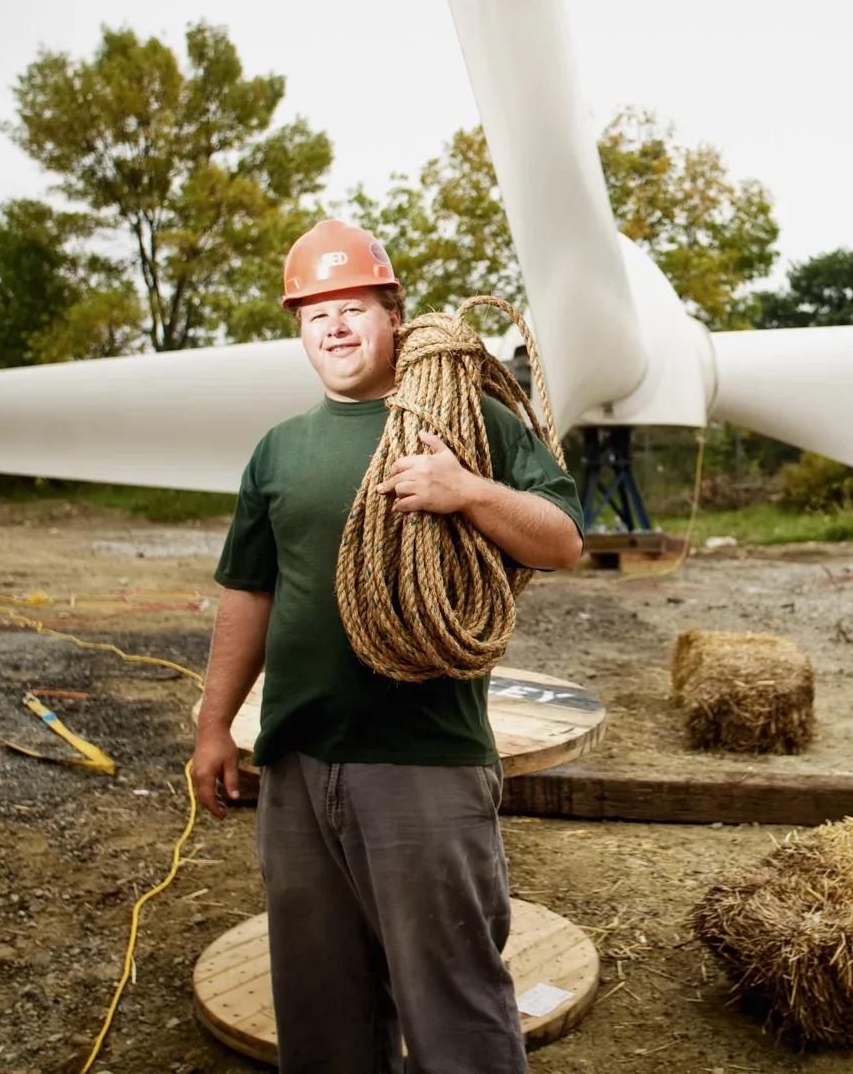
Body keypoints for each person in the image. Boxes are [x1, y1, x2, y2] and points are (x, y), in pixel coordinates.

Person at [190, 220, 583, 1074]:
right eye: (313, 314)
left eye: (352, 307)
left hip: (424, 763)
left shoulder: (469, 422)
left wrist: (465, 489)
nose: (333, 327)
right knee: (320, 1006)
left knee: (453, 1005)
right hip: (297, 765)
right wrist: (215, 725)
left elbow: (560, 540)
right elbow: (248, 593)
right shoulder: (280, 451)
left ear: (393, 314)